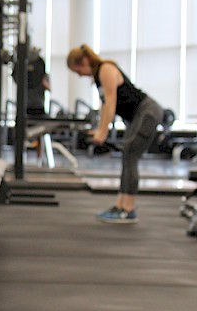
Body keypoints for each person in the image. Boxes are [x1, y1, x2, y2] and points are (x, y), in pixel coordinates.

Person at [67, 44, 164, 224]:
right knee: (127, 156)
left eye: (78, 69)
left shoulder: (106, 69)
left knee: (130, 155)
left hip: (147, 112)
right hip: (137, 116)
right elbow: (105, 106)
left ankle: (128, 208)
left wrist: (103, 132)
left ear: (85, 61)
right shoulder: (98, 77)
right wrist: (100, 129)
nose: (79, 74)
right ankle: (120, 205)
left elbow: (111, 102)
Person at [26, 48, 51, 163]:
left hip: (39, 107)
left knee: (40, 134)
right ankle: (22, 159)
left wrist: (44, 83)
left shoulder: (43, 74)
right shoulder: (23, 73)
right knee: (22, 134)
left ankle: (39, 160)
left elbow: (50, 89)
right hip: (25, 107)